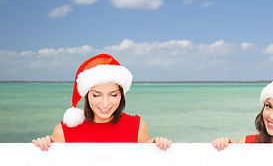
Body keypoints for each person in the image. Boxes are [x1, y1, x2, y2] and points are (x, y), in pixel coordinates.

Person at [32, 54, 172, 151]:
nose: (105, 104)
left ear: (121, 95)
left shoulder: (137, 127)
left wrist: (159, 149)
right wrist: (42, 150)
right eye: (96, 95)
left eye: (113, 94)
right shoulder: (63, 131)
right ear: (87, 96)